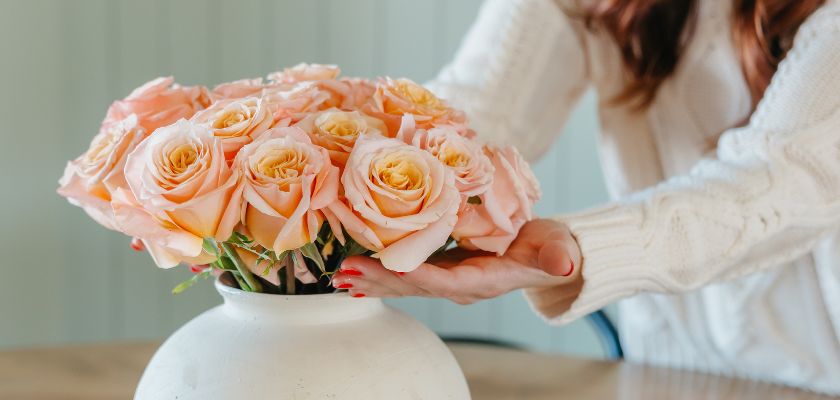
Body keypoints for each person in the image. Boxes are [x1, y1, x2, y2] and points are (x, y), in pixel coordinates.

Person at [330, 0, 840, 394]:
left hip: (817, 381)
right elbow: (472, 114)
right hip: (656, 376)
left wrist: (580, 245)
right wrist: (330, 167)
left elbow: (775, 179)